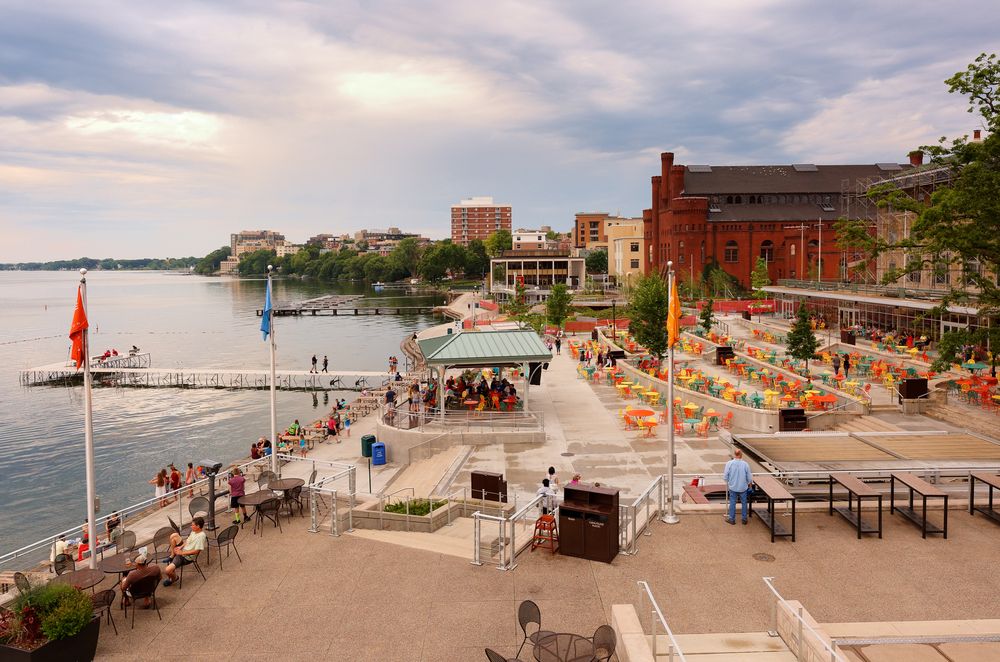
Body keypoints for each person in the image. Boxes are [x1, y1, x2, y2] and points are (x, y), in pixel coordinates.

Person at [162, 516, 207, 587]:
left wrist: (181, 553)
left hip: (186, 557)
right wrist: (180, 547)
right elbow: (188, 541)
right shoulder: (194, 532)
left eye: (192, 525)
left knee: (167, 570)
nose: (191, 526)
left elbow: (197, 551)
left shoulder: (201, 536)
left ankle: (174, 578)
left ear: (198, 526)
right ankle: (172, 556)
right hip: (183, 550)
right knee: (174, 536)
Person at [723, 449, 753, 525]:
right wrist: (750, 485)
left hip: (733, 487)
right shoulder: (745, 464)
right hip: (743, 487)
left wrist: (729, 481)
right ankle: (744, 519)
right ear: (741, 454)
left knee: (732, 502)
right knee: (744, 503)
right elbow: (749, 477)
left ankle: (732, 519)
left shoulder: (729, 463)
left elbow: (725, 476)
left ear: (734, 454)